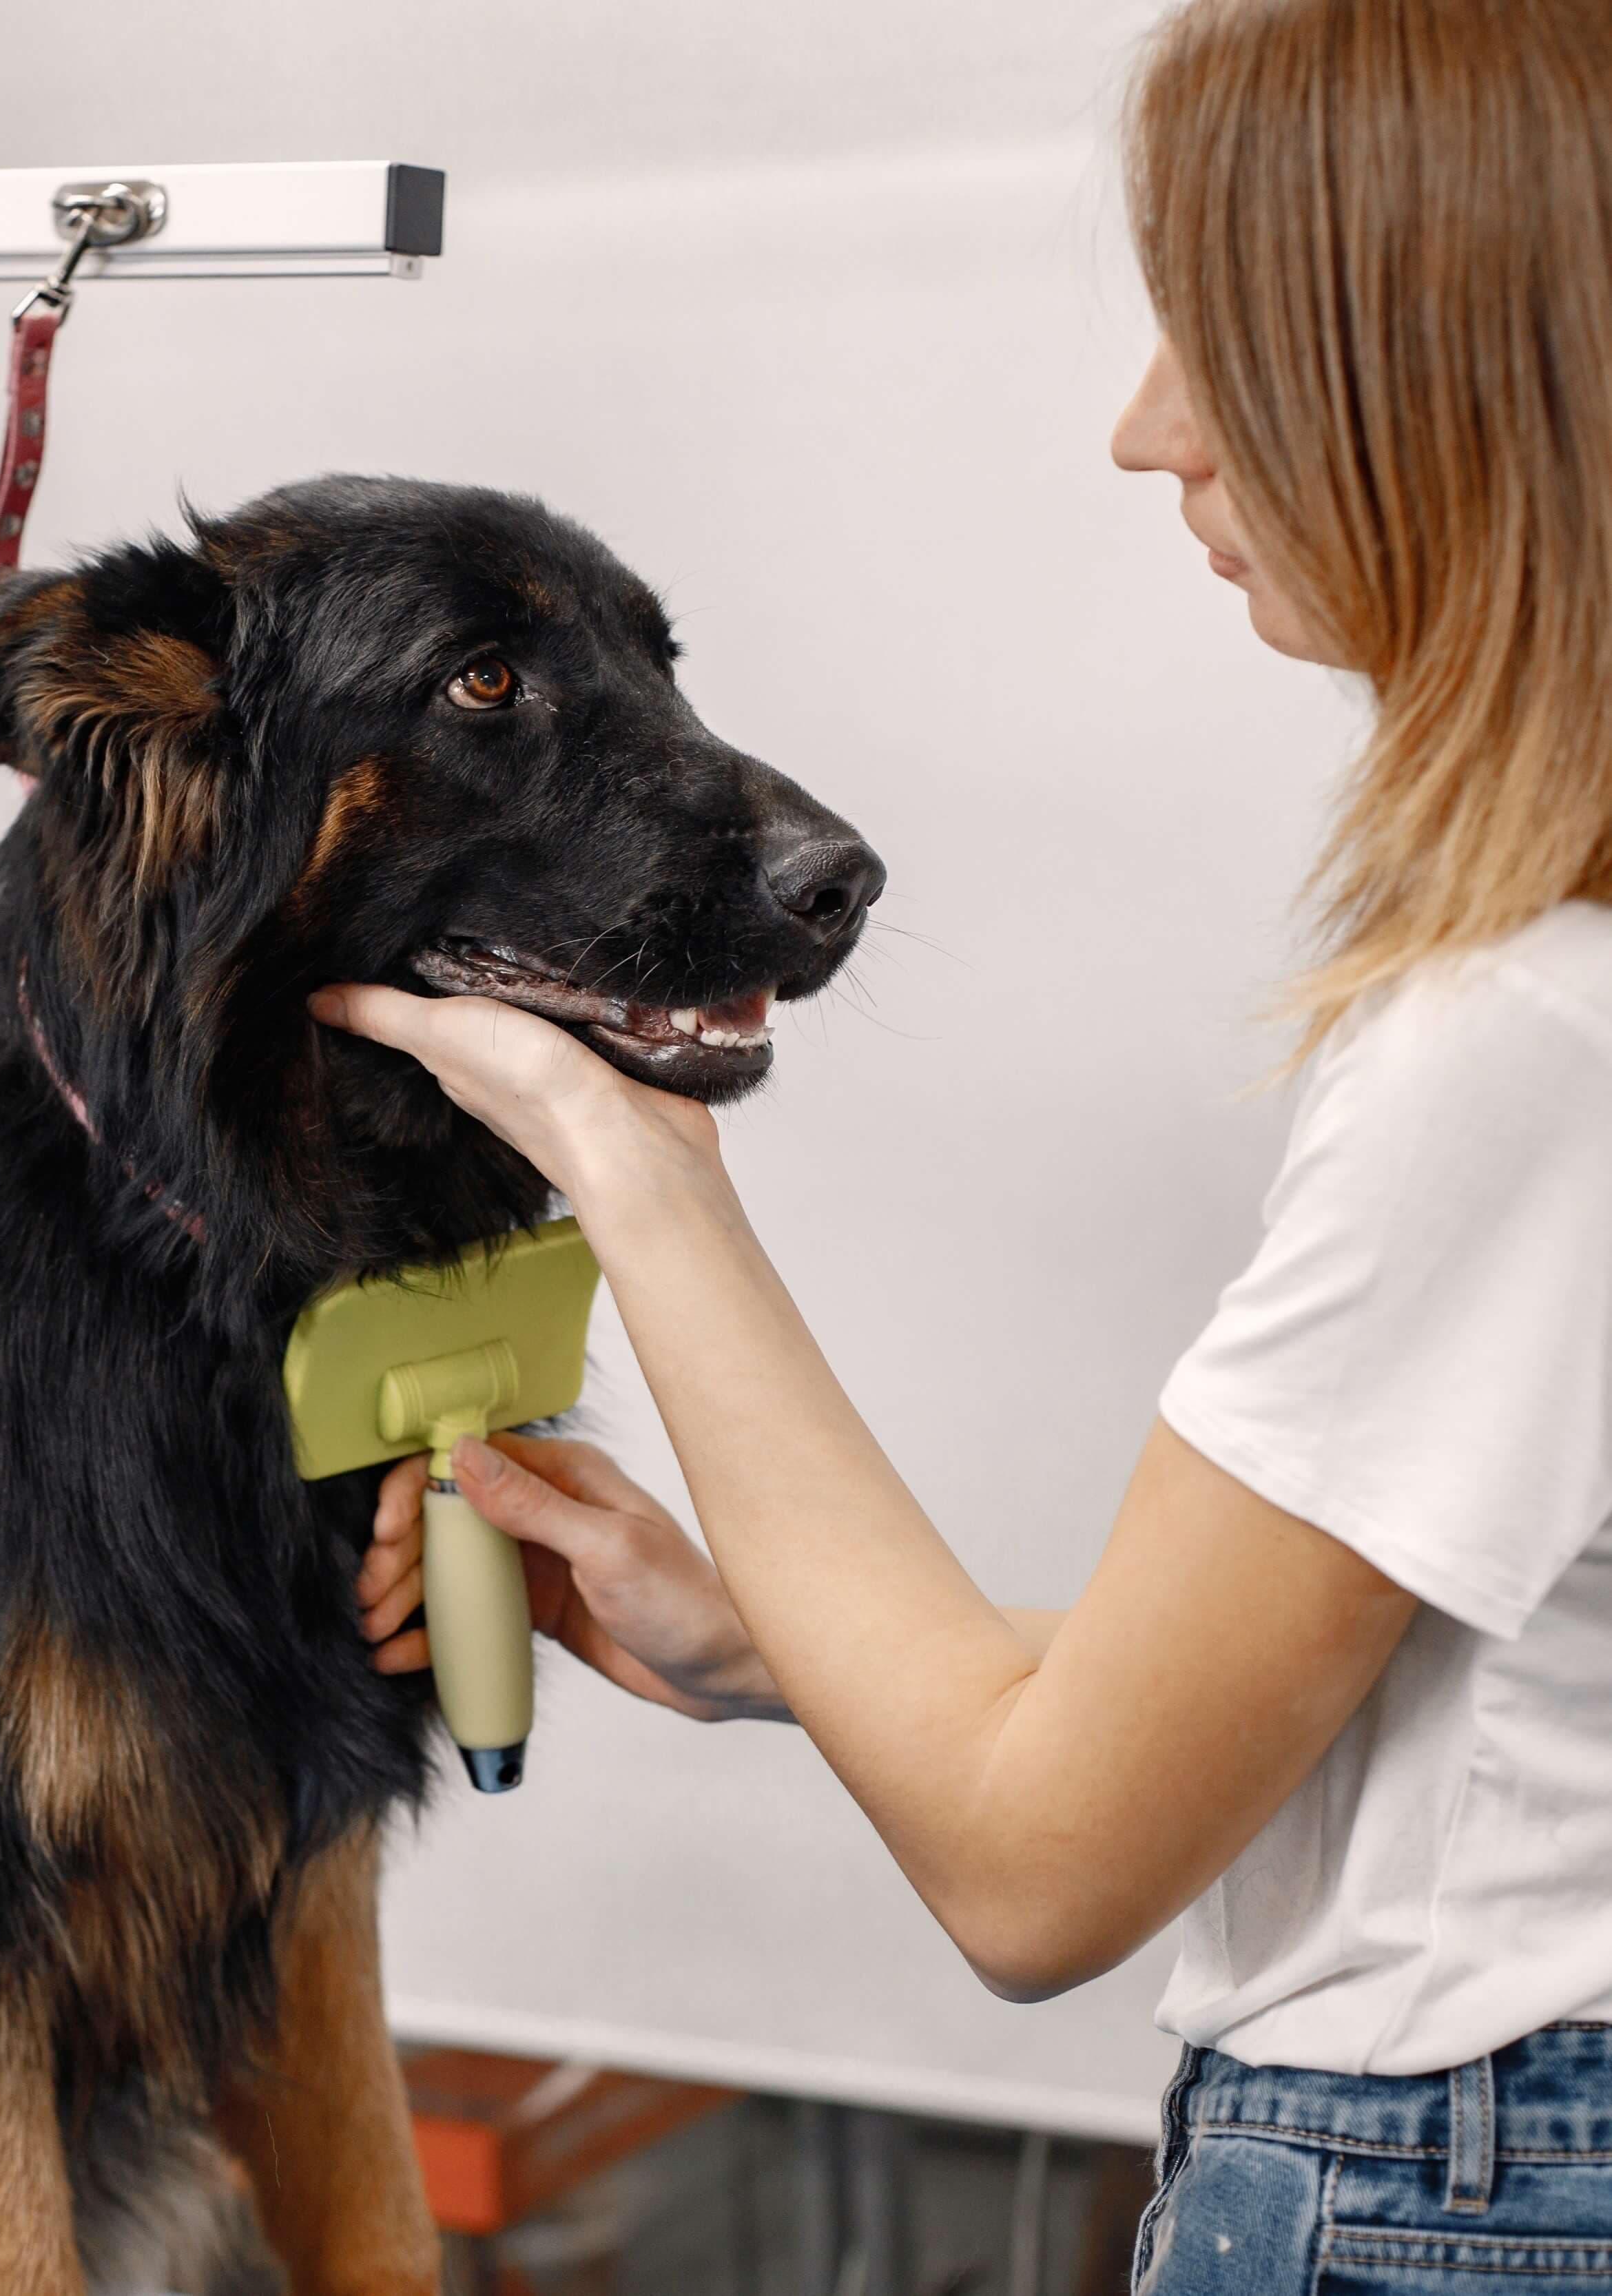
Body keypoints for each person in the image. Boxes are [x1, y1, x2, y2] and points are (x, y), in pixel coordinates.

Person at [342, 0, 1612, 2284]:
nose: (1145, 434)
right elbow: (1520, 1709)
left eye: (1219, 341)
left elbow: (1033, 1879)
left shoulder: (1520, 1039)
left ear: (1455, 378)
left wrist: (630, 1151)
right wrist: (762, 1643)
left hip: (1450, 2193)